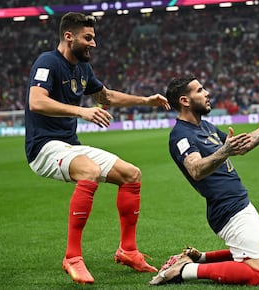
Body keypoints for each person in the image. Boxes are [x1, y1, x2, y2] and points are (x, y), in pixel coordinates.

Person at [24, 12, 170, 285]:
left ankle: (128, 250)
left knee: (131, 174)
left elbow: (106, 96)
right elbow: (37, 101)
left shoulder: (83, 69)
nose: (94, 43)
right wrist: (82, 111)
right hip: (42, 147)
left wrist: (146, 101)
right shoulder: (47, 62)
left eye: (94, 38)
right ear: (69, 36)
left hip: (68, 145)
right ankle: (72, 257)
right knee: (89, 171)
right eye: (88, 38)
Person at [149, 75, 259, 286]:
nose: (207, 93)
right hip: (227, 208)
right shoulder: (181, 135)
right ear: (185, 100)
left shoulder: (206, 127)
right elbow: (195, 169)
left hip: (241, 202)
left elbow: (242, 146)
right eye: (200, 90)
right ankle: (186, 270)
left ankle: (200, 258)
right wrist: (224, 151)